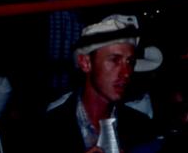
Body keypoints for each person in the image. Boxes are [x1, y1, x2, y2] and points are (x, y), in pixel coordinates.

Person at [40, 14, 159, 153]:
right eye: (114, 60)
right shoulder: (48, 129)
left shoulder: (141, 126)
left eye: (130, 62)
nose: (126, 73)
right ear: (86, 63)